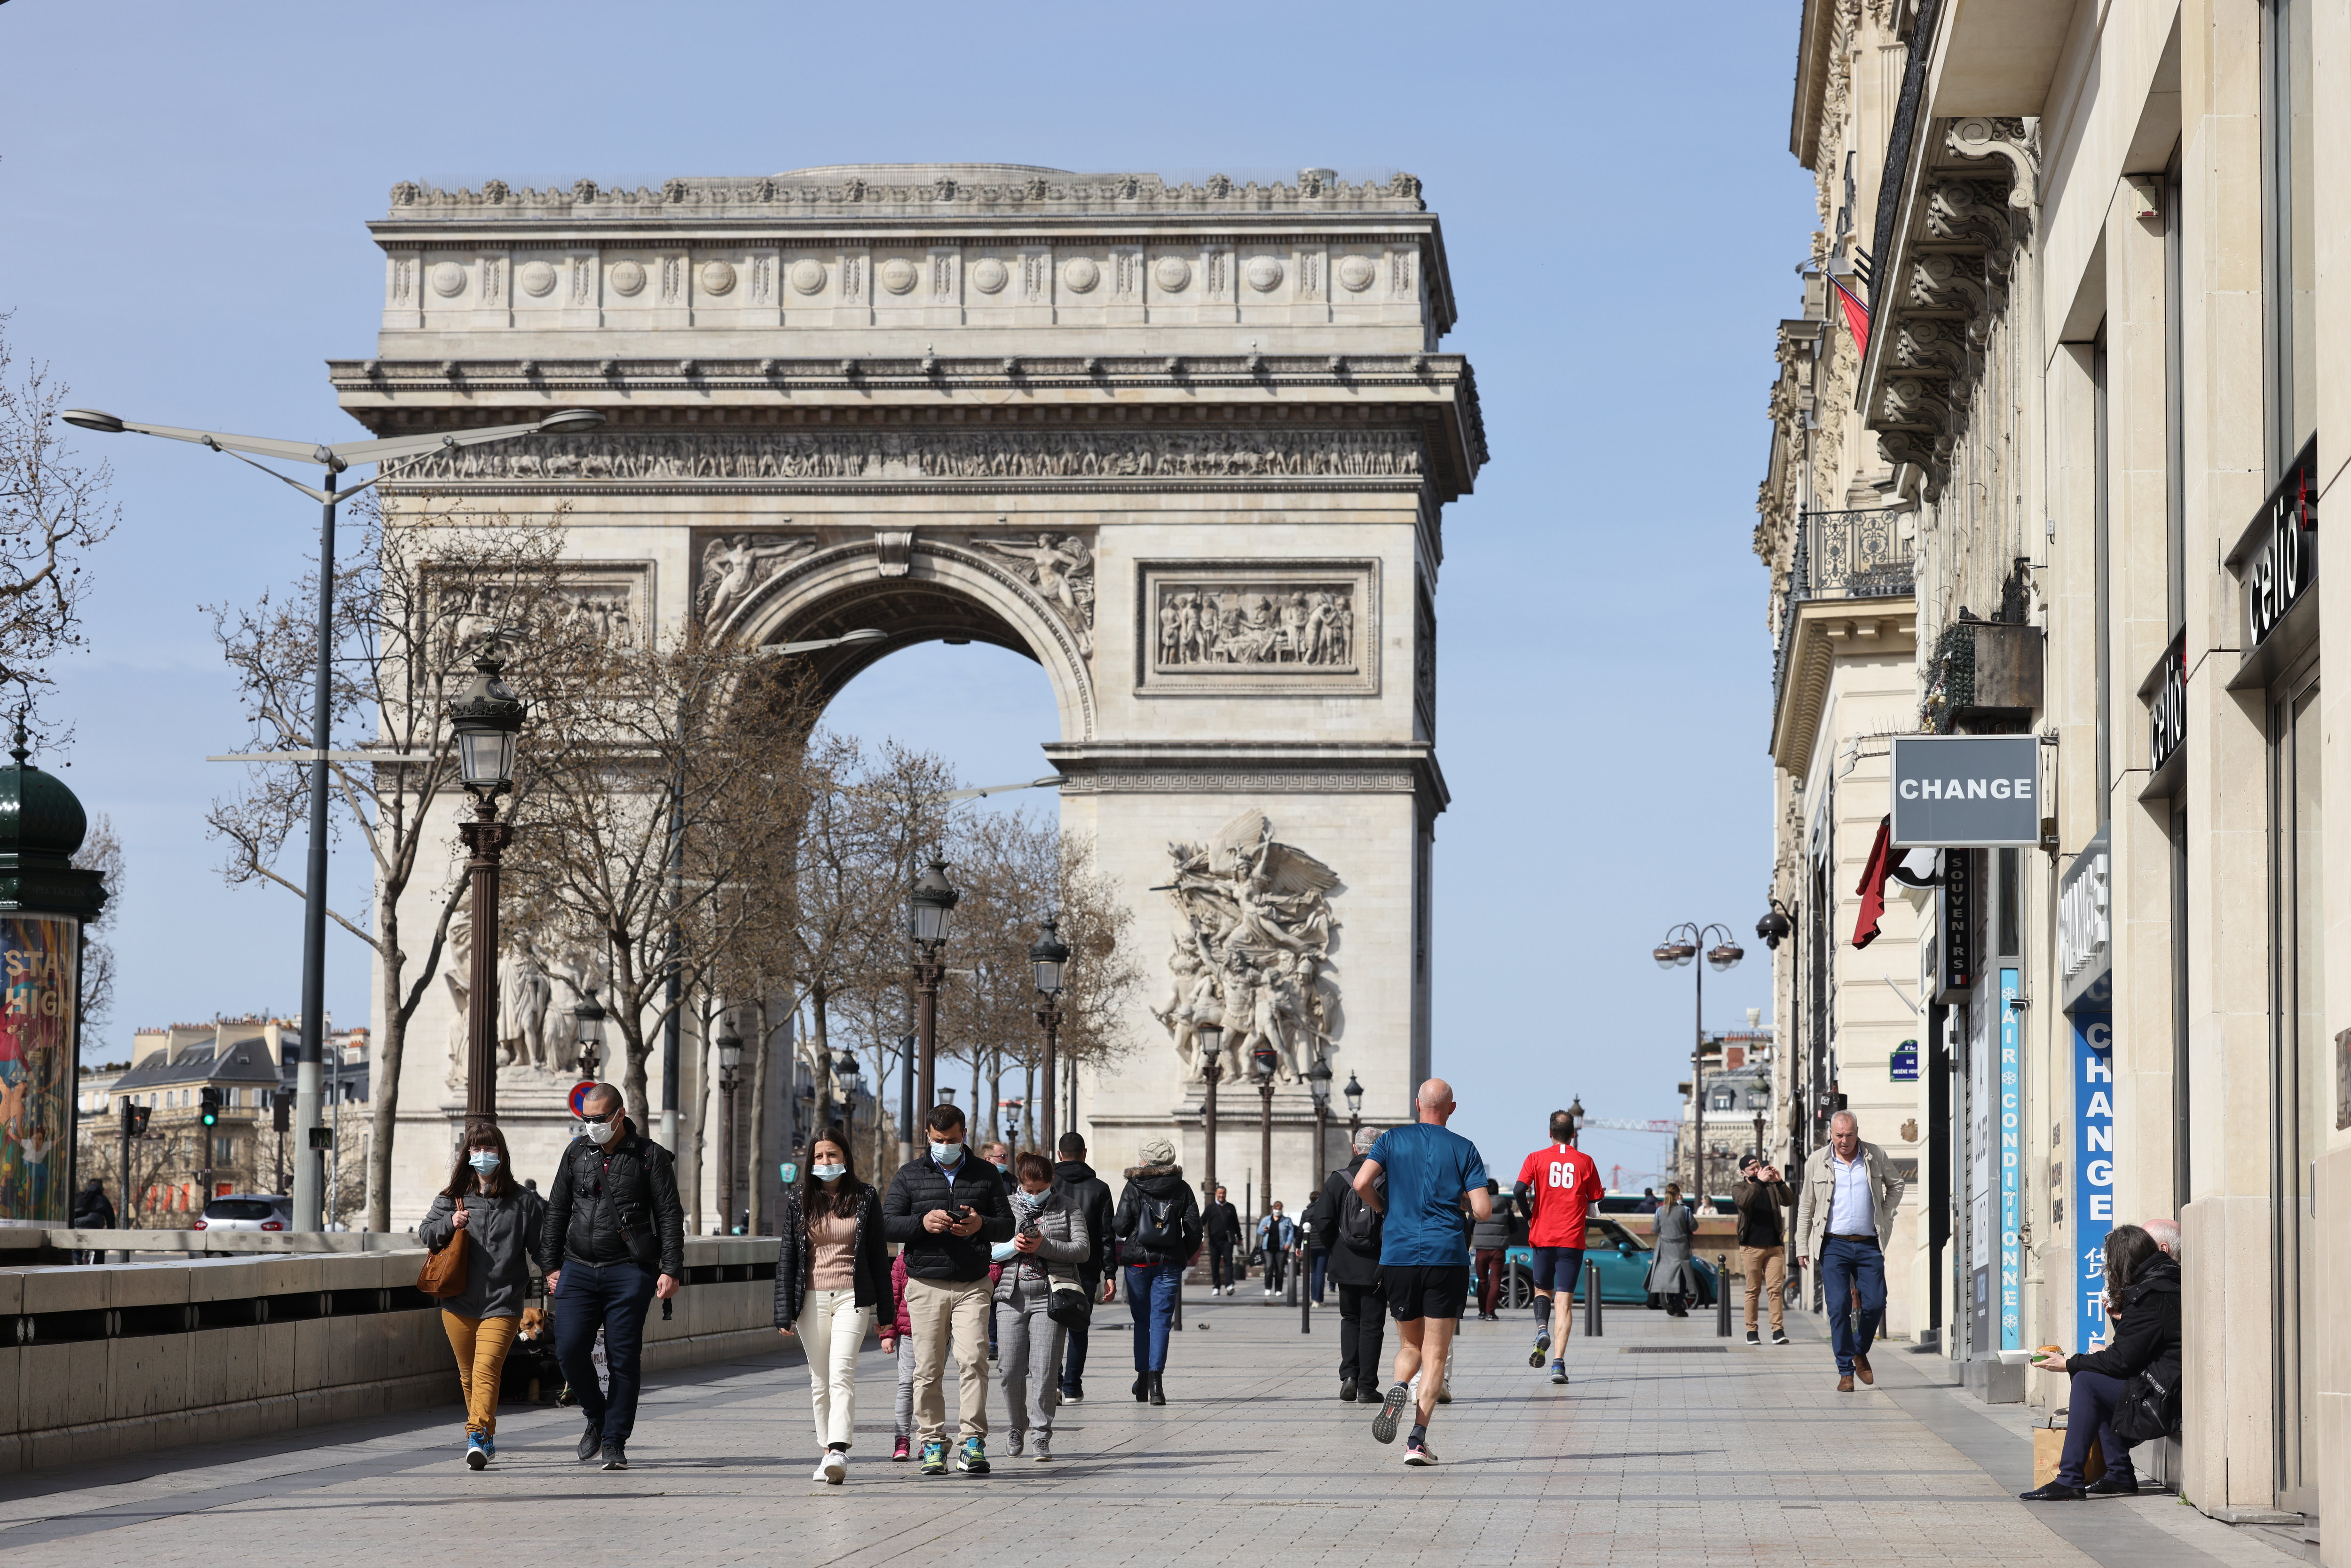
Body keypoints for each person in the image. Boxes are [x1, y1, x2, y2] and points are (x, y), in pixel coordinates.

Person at [543, 1084, 685, 1471]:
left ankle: (614, 1440)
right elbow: (556, 1209)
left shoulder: (649, 1157)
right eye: (585, 1119)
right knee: (569, 1349)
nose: (591, 1126)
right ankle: (596, 1414)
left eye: (599, 1119)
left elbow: (670, 1215)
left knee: (624, 1358)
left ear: (619, 1115)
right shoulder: (575, 1154)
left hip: (629, 1271)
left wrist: (671, 1268)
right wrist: (550, 1265)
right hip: (577, 1267)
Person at [1353, 1079, 1490, 1467]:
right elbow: (1483, 1211)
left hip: (1398, 1254)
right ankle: (1416, 1441)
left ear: (1417, 1104)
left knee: (1410, 1346)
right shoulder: (1464, 1148)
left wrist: (1384, 1209)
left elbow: (1362, 1183)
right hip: (1445, 1257)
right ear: (1453, 1108)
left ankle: (1398, 1385)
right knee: (1436, 1353)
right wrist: (1460, 1198)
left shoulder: (1390, 1141)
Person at [883, 1103, 1014, 1476]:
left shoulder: (986, 1173)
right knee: (926, 1368)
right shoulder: (909, 1175)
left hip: (973, 1282)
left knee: (973, 1359)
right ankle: (932, 1443)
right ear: (928, 1135)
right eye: (939, 1140)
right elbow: (889, 1224)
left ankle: (972, 1441)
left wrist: (979, 1224)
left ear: (965, 1136)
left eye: (953, 1140)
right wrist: (923, 1222)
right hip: (925, 1283)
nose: (945, 1145)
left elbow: (1006, 1225)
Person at [2020, 1224, 2181, 1501]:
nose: (2109, 1269)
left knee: (2087, 1380)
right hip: (2167, 1385)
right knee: (2096, 1375)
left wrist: (2069, 1364)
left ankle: (2070, 1478)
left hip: (2162, 1399)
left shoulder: (2148, 1294)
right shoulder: (2166, 1281)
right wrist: (2119, 1320)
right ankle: (2118, 1473)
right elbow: (2140, 1347)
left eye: (2110, 1263)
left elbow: (2122, 1361)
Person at [420, 1120, 548, 1469]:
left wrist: (556, 1273)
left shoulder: (524, 1202)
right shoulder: (451, 1197)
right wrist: (451, 1223)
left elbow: (542, 1247)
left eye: (489, 1148)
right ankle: (487, 1434)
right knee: (468, 1374)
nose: (482, 1155)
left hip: (504, 1302)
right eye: (475, 1149)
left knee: (487, 1368)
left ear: (502, 1154)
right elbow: (426, 1233)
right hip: (457, 1302)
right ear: (467, 1155)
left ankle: (476, 1434)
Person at [774, 1127, 890, 1485]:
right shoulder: (798, 1200)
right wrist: (783, 1311)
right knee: (820, 1378)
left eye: (833, 1155)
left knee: (842, 1372)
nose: (826, 1162)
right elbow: (788, 1257)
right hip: (810, 1299)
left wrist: (886, 1314)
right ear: (811, 1160)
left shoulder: (866, 1197)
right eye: (820, 1156)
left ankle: (839, 1448)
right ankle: (827, 1452)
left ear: (846, 1158)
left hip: (852, 1297)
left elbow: (877, 1255)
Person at [1794, 1110, 1906, 1392]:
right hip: (1833, 1245)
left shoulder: (1874, 1155)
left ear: (1858, 1132)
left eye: (1850, 1135)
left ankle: (1858, 1350)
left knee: (1877, 1303)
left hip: (1869, 1243)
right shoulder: (1817, 1161)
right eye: (1839, 1135)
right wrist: (1802, 1244)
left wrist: (1886, 1212)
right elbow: (1806, 1205)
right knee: (1838, 1306)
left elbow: (1897, 1184)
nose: (1844, 1141)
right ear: (1830, 1134)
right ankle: (1845, 1370)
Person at [994, 1151, 1089, 1460]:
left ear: (1051, 1182)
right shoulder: (1005, 1206)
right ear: (1020, 1183)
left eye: (1041, 1189)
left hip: (1050, 1300)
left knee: (1045, 1369)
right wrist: (1014, 1246)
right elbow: (987, 1250)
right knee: (1009, 1369)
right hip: (1011, 1297)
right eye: (1029, 1189)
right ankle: (1015, 1424)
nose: (1035, 1195)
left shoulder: (1068, 1207)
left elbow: (1082, 1249)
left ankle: (1041, 1434)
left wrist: (1044, 1246)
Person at [1512, 1110, 1603, 1382]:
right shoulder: (1585, 1161)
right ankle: (1558, 1365)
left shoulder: (1535, 1158)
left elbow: (1519, 1190)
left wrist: (1529, 1216)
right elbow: (1595, 1204)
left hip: (1542, 1235)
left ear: (1550, 1133)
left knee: (1542, 1290)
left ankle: (1542, 1329)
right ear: (1573, 1135)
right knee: (1564, 1302)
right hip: (1571, 1240)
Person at [1113, 1135, 1201, 1406]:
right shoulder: (1182, 1188)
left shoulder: (1133, 1186)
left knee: (1142, 1322)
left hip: (1138, 1263)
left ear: (1146, 1159)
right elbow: (1195, 1230)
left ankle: (1141, 1380)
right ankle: (1155, 1385)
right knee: (1162, 1322)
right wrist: (1179, 1254)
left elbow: (1121, 1228)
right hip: (1169, 1263)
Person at [1304, 1125, 1387, 1401]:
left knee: (1350, 1319)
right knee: (1373, 1325)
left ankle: (1349, 1377)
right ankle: (1367, 1387)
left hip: (1345, 1263)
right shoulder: (1389, 1179)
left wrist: (1337, 1249)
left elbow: (1323, 1220)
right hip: (1378, 1262)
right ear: (1379, 1149)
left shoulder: (1338, 1179)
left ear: (1355, 1149)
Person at [1051, 1132, 1116, 1403]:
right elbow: (1107, 1236)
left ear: (1059, 1155)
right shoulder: (1100, 1188)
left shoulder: (1048, 1184)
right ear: (1085, 1154)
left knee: (1049, 1328)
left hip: (1050, 1265)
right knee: (1079, 1327)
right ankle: (1072, 1387)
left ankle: (1053, 1382)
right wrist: (1110, 1274)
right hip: (1086, 1268)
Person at [1730, 1154, 1793, 1346]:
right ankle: (1752, 1331)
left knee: (1775, 1290)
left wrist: (1780, 1182)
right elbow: (1743, 1202)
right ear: (1744, 1173)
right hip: (1751, 1246)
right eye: (1752, 1169)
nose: (1758, 1171)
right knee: (1753, 1290)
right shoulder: (1739, 1187)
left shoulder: (1771, 1186)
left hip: (1774, 1245)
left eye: (1759, 1167)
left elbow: (1789, 1201)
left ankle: (1778, 1330)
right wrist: (1759, 1181)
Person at [1648, 1182, 1696, 1316]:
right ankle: (1679, 1305)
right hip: (1681, 1249)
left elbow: (1655, 1229)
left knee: (1669, 1277)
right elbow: (1694, 1226)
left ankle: (1669, 1301)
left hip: (1665, 1249)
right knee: (1681, 1278)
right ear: (1677, 1195)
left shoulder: (1660, 1211)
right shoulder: (1684, 1210)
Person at [886, 1251, 916, 1460]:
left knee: (931, 1383)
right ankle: (902, 1439)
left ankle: (929, 1439)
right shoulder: (902, 1259)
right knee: (906, 1383)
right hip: (908, 1333)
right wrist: (888, 1334)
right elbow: (893, 1296)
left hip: (938, 1332)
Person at [1470, 1179, 1511, 1321]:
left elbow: (1470, 1225)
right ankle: (1490, 1313)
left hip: (1481, 1249)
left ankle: (1482, 1311)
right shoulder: (1505, 1204)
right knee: (1495, 1281)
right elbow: (1514, 1227)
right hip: (1499, 1249)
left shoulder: (1479, 1205)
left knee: (1482, 1280)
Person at [1202, 1182, 1242, 1295]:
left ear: (1226, 1194)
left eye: (1223, 1193)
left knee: (1229, 1263)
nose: (1221, 1195)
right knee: (1215, 1264)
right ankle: (1216, 1287)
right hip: (1214, 1241)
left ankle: (1229, 1285)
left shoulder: (1231, 1207)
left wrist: (1240, 1238)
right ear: (1216, 1194)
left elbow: (1236, 1224)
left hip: (1227, 1241)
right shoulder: (1211, 1208)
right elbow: (1203, 1220)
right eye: (1220, 1193)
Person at [71, 1176, 114, 1264]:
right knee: (100, 1248)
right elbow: (110, 1217)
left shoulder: (81, 1196)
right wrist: (111, 1231)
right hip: (95, 1226)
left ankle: (76, 1259)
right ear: (101, 1188)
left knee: (75, 1247)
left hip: (77, 1226)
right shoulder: (103, 1199)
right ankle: (99, 1267)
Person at [1257, 1201, 1294, 1296]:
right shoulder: (1266, 1220)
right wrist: (1264, 1230)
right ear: (1273, 1209)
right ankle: (1268, 1287)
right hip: (1268, 1248)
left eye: (1279, 1209)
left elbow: (1291, 1232)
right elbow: (1259, 1232)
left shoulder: (1287, 1220)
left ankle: (1278, 1289)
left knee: (1280, 1269)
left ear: (1282, 1209)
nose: (1277, 1211)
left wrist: (1288, 1243)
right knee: (1269, 1267)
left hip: (1281, 1248)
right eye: (1276, 1209)